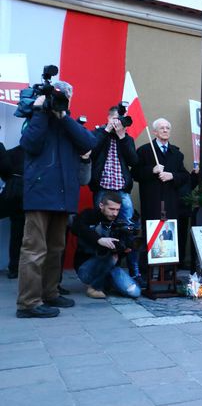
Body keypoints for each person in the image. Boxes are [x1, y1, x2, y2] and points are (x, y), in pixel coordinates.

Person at [16, 82, 96, 318]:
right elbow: (29, 144)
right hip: (40, 193)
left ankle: (49, 293)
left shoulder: (67, 122)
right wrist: (41, 112)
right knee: (34, 250)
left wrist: (63, 117)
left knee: (55, 250)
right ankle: (28, 303)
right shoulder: (35, 117)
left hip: (63, 196)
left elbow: (89, 142)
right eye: (61, 96)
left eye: (68, 96)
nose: (65, 100)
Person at [132, 118, 190, 273]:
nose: (165, 130)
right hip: (152, 200)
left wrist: (172, 176)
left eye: (167, 127)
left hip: (170, 202)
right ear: (155, 132)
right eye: (162, 128)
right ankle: (147, 274)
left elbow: (185, 176)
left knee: (169, 237)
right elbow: (135, 173)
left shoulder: (176, 154)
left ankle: (169, 274)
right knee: (150, 235)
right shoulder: (144, 150)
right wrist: (152, 170)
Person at [89, 105, 140, 279]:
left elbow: (134, 160)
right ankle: (100, 274)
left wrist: (122, 136)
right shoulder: (98, 133)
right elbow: (91, 152)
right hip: (102, 189)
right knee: (101, 230)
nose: (119, 124)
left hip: (122, 191)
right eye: (116, 120)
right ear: (109, 118)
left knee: (129, 230)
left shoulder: (126, 138)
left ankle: (135, 272)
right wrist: (107, 130)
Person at [72, 191, 141, 299]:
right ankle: (95, 287)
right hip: (86, 267)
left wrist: (125, 249)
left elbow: (119, 250)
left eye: (117, 210)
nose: (115, 213)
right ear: (101, 206)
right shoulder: (89, 215)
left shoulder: (119, 222)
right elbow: (76, 227)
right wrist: (99, 240)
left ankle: (107, 283)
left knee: (135, 292)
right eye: (111, 209)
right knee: (110, 257)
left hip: (111, 267)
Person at [0, 142, 24, 280]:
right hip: (28, 197)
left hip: (13, 196)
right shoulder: (41, 153)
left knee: (17, 233)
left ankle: (14, 268)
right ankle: (15, 267)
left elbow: (5, 172)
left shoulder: (10, 152)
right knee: (21, 234)